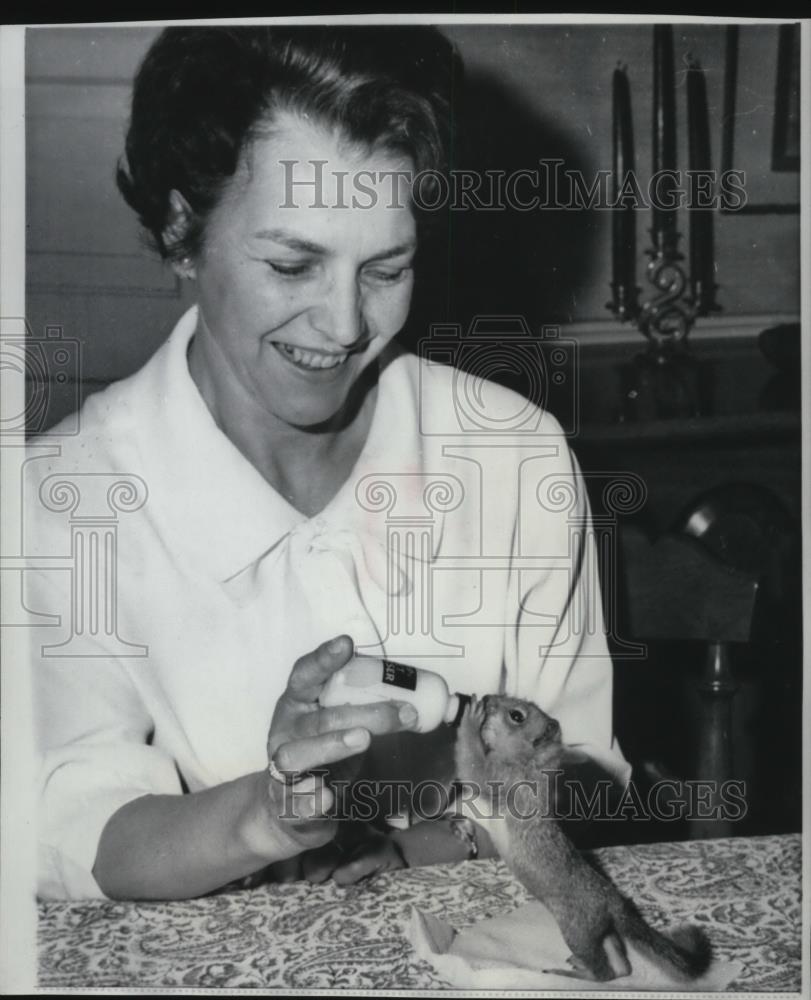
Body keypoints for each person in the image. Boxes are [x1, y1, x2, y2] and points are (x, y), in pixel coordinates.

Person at [28, 25, 629, 901]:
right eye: (292, 262)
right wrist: (272, 816)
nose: (345, 325)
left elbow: (581, 772)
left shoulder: (512, 452)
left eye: (386, 267)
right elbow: (65, 825)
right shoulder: (61, 500)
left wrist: (424, 846)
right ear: (179, 227)